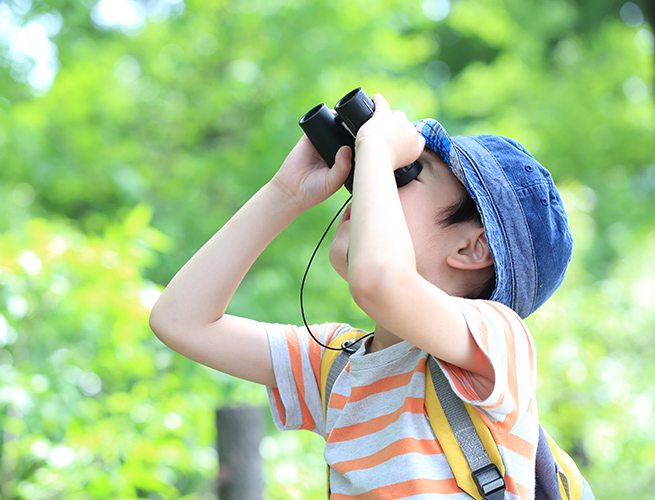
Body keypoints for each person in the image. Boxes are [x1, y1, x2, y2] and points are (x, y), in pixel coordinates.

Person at [149, 93, 574, 498]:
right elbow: (181, 321)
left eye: (408, 171)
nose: (372, 185)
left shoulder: (497, 343)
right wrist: (285, 193)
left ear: (471, 248)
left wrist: (374, 148)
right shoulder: (336, 364)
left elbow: (380, 282)